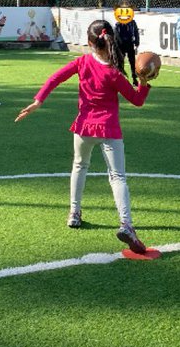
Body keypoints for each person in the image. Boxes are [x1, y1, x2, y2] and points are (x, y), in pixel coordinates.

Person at [15, 19, 153, 253]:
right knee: (117, 177)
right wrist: (143, 82)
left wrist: (38, 101)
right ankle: (126, 224)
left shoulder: (82, 62)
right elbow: (137, 101)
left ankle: (74, 213)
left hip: (83, 127)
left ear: (90, 43)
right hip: (109, 129)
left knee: (79, 166)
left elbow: (55, 78)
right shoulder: (114, 73)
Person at [114, 8, 140, 82]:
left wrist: (137, 41)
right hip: (121, 45)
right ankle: (121, 77)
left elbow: (136, 32)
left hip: (130, 43)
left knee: (132, 61)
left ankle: (134, 78)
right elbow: (116, 36)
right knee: (120, 61)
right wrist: (118, 45)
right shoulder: (118, 24)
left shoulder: (132, 23)